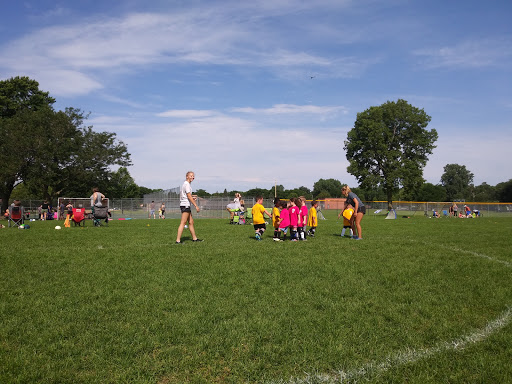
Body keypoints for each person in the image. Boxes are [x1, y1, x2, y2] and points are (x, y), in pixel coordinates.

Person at [175, 171, 202, 244]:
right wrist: (196, 205)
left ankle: (194, 238)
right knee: (183, 223)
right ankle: (178, 240)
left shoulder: (187, 184)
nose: (192, 177)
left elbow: (187, 196)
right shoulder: (186, 184)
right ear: (187, 176)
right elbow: (188, 196)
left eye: (193, 176)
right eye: (191, 176)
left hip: (186, 204)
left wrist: (193, 198)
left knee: (191, 222)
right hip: (185, 205)